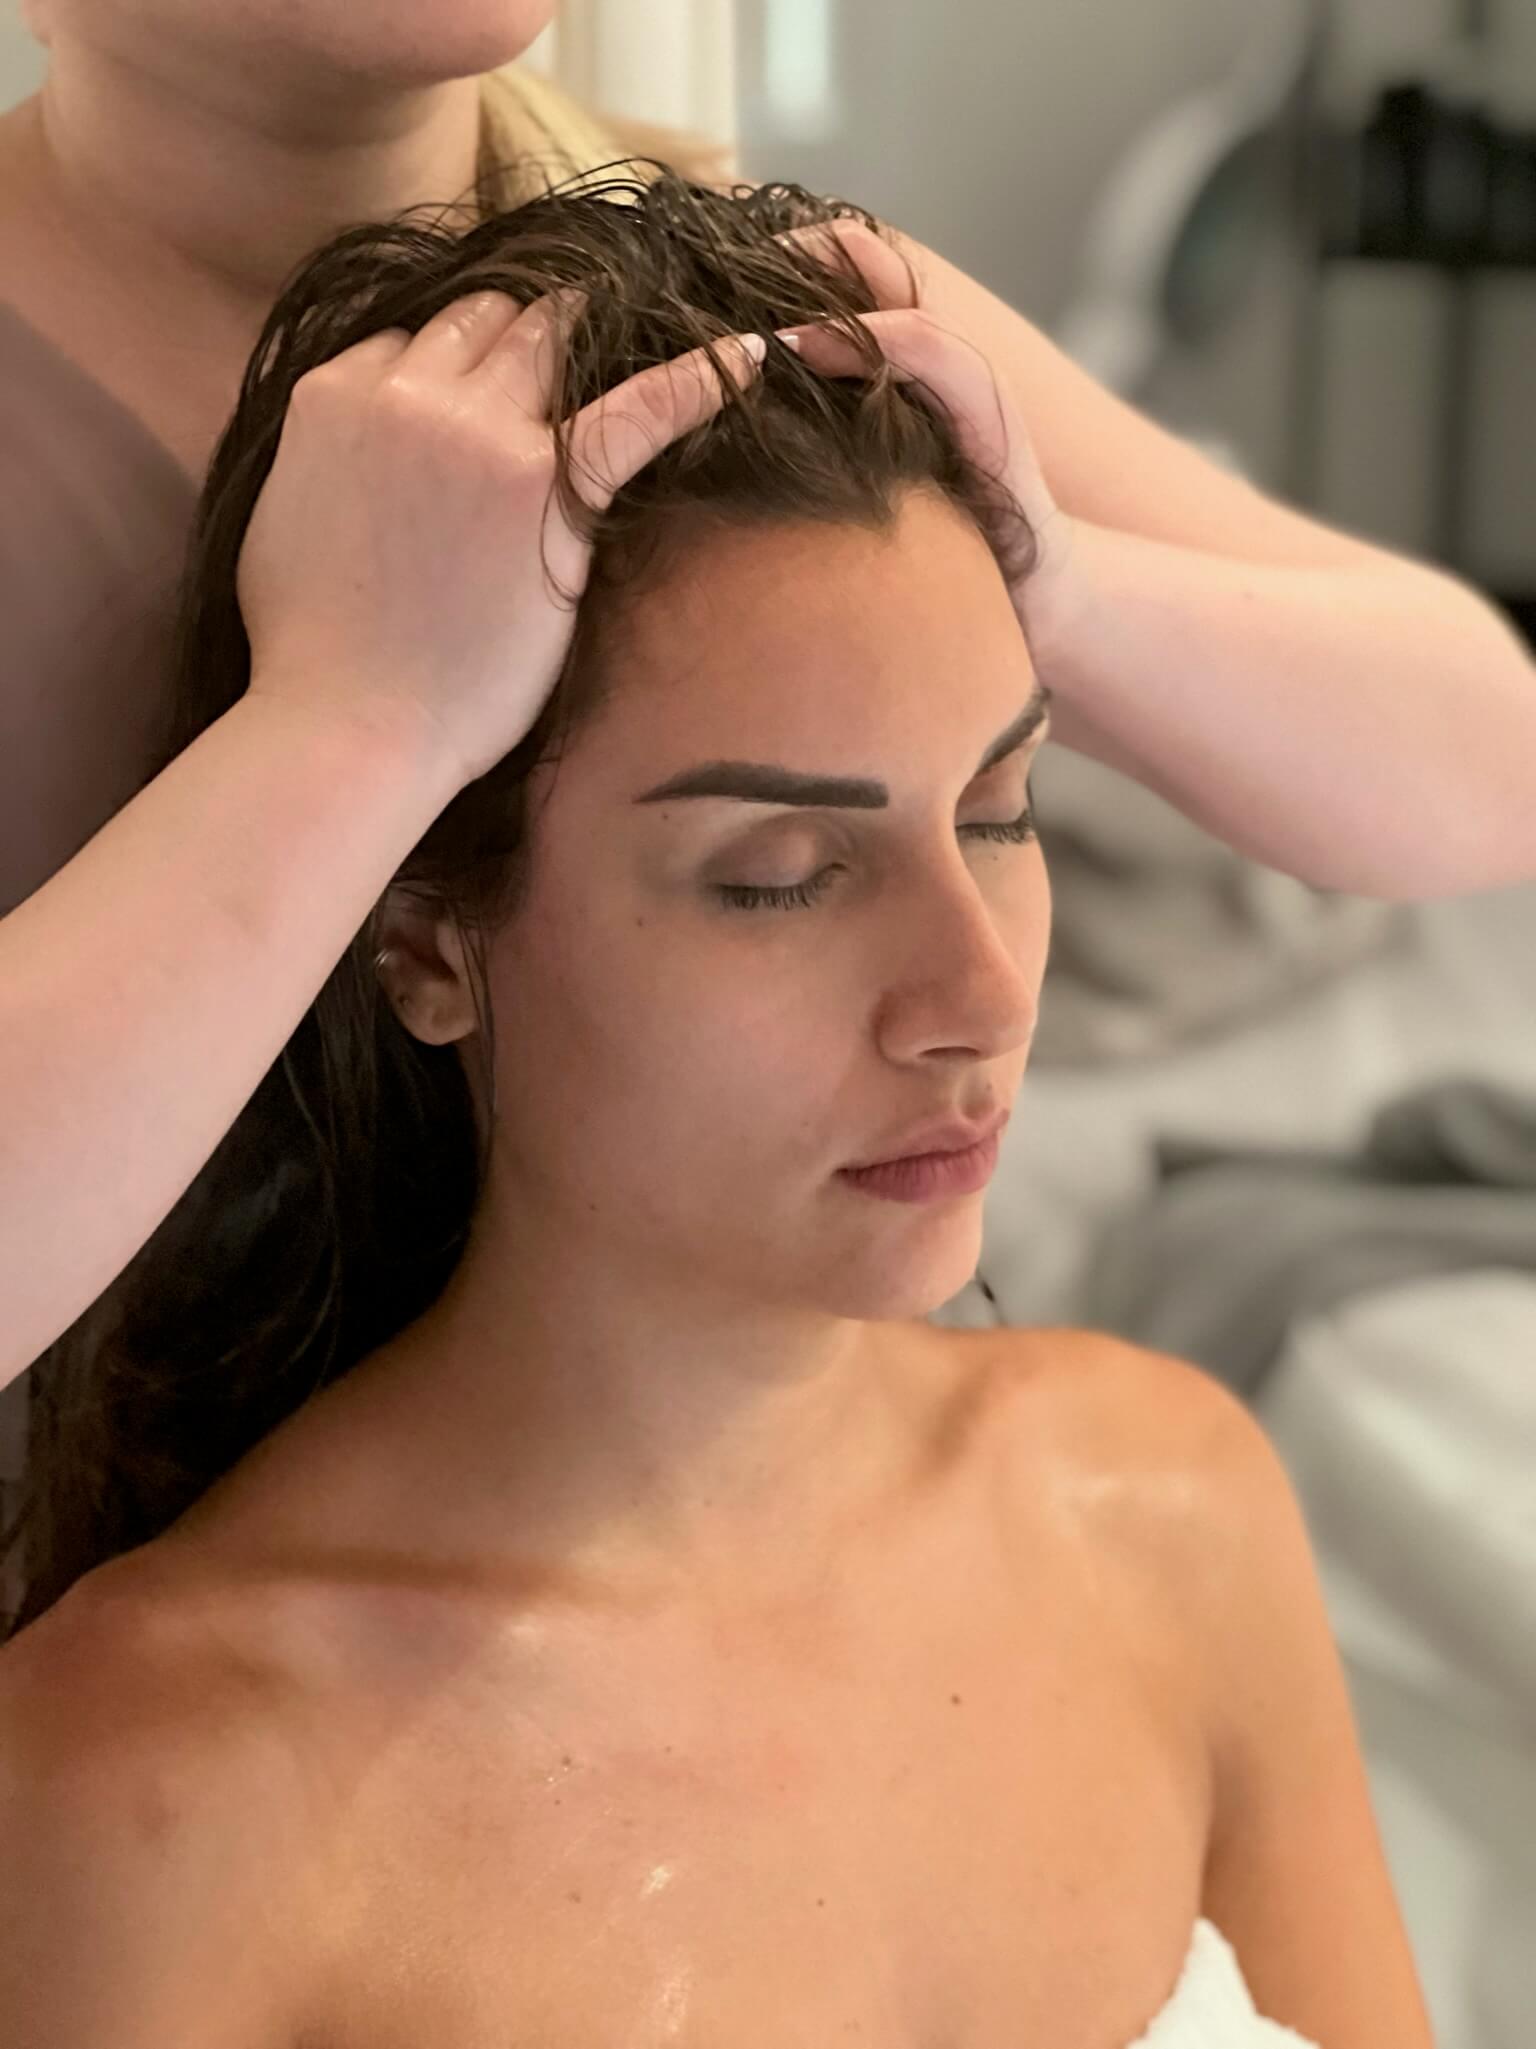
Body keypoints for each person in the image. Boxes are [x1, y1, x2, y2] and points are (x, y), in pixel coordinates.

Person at [0, 173, 1434, 2049]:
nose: (982, 992)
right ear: (425, 942)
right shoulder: (153, 1800)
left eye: (1000, 813)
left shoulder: (1172, 1515)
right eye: (780, 875)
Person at [3, 0, 1535, 1394]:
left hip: (746, 1527)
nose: (985, 1006)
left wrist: (1046, 581)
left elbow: (1484, 759)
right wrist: (355, 724)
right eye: (771, 875)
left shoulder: (741, 293)